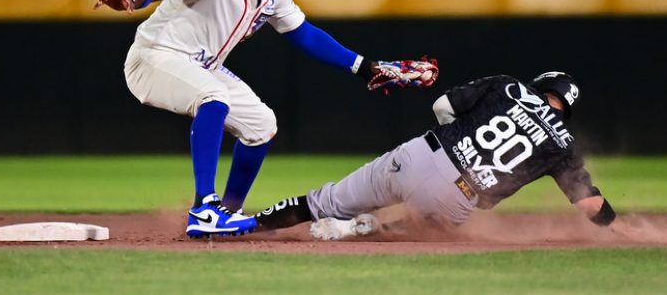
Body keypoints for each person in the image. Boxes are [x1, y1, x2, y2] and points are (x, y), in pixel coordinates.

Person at [93, 0, 435, 238]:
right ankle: (204, 209)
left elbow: (305, 34)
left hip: (200, 65)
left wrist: (363, 67)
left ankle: (226, 211)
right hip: (154, 58)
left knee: (261, 125)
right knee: (213, 98)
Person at [256, 71, 628, 240]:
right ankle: (357, 228)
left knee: (327, 199)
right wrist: (619, 228)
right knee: (429, 227)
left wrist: (450, 142)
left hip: (421, 155)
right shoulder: (562, 144)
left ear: (541, 87)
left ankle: (247, 226)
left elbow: (443, 105)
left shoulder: (509, 86)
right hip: (459, 197)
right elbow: (590, 205)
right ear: (564, 110)